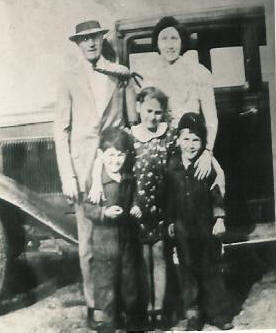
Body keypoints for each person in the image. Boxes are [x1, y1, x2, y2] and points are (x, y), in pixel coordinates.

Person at [54, 19, 138, 329]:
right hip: (83, 167)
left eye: (95, 37)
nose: (90, 43)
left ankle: (123, 306)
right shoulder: (68, 78)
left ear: (102, 39)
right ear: (77, 44)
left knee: (121, 238)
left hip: (114, 164)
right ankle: (96, 306)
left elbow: (130, 120)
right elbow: (61, 129)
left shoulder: (117, 73)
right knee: (88, 243)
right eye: (84, 39)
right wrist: (69, 176)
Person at [165, 113, 234, 330]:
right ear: (177, 140)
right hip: (183, 229)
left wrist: (219, 218)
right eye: (186, 139)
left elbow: (216, 195)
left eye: (196, 140)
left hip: (205, 228)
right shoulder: (171, 168)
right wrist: (169, 222)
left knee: (210, 269)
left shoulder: (206, 167)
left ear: (203, 143)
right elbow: (168, 199)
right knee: (187, 271)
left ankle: (218, 313)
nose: (191, 145)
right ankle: (193, 314)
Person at [142, 16, 218, 181]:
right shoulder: (150, 77)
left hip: (193, 148)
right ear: (157, 43)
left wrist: (207, 153)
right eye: (164, 39)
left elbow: (211, 120)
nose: (169, 45)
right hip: (162, 150)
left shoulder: (200, 73)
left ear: (182, 41)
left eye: (174, 38)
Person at [83, 128, 141, 331]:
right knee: (105, 284)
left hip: (126, 239)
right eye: (111, 155)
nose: (116, 160)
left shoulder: (127, 177)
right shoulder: (95, 182)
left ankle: (131, 318)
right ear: (101, 155)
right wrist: (104, 213)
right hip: (103, 241)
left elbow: (134, 195)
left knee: (129, 280)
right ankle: (108, 321)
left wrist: (135, 206)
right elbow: (88, 208)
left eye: (120, 155)